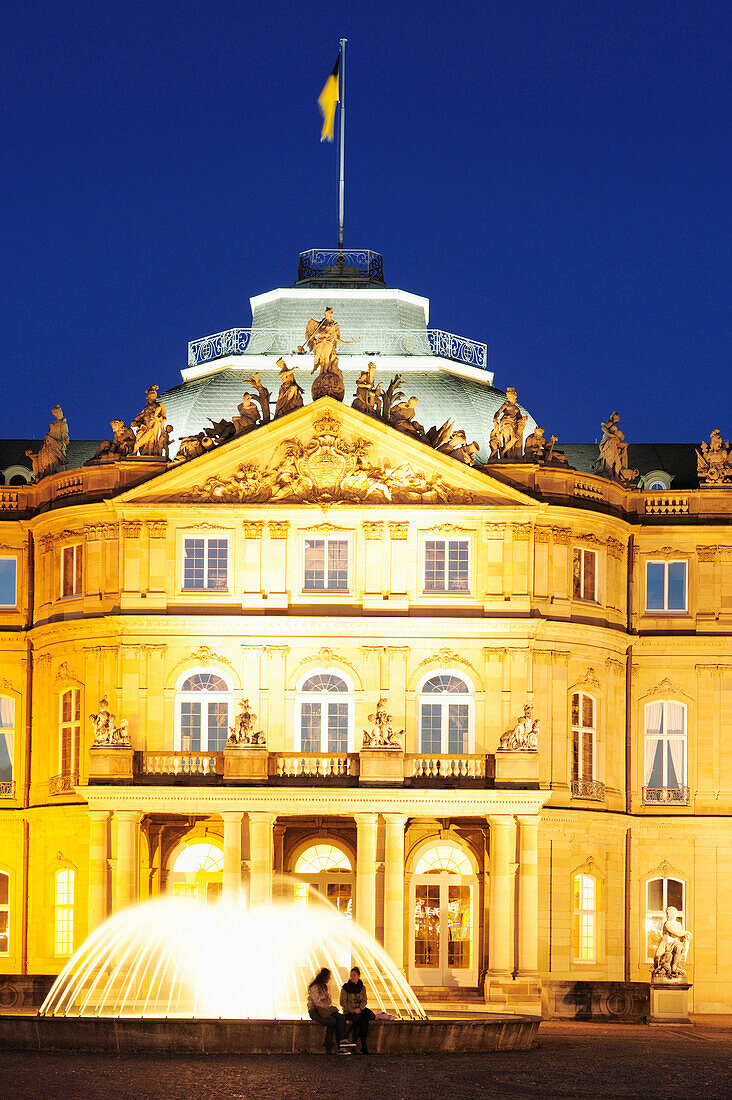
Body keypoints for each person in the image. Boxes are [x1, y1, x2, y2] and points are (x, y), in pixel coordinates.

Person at [307, 968, 356, 1055]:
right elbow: (317, 1003)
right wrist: (329, 1007)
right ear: (324, 977)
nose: (329, 979)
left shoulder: (324, 987)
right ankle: (332, 1045)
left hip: (325, 1010)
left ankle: (342, 1042)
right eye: (328, 977)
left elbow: (328, 1001)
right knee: (333, 1022)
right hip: (315, 1011)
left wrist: (329, 1006)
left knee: (341, 1017)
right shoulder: (314, 987)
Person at [340, 966, 375, 1054]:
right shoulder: (345, 988)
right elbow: (343, 1002)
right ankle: (362, 1045)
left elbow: (364, 1000)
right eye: (351, 975)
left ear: (359, 976)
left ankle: (362, 1044)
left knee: (365, 1017)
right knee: (360, 1019)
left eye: (354, 975)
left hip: (360, 1010)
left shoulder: (362, 988)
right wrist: (353, 1010)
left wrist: (360, 1008)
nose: (352, 977)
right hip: (349, 1012)